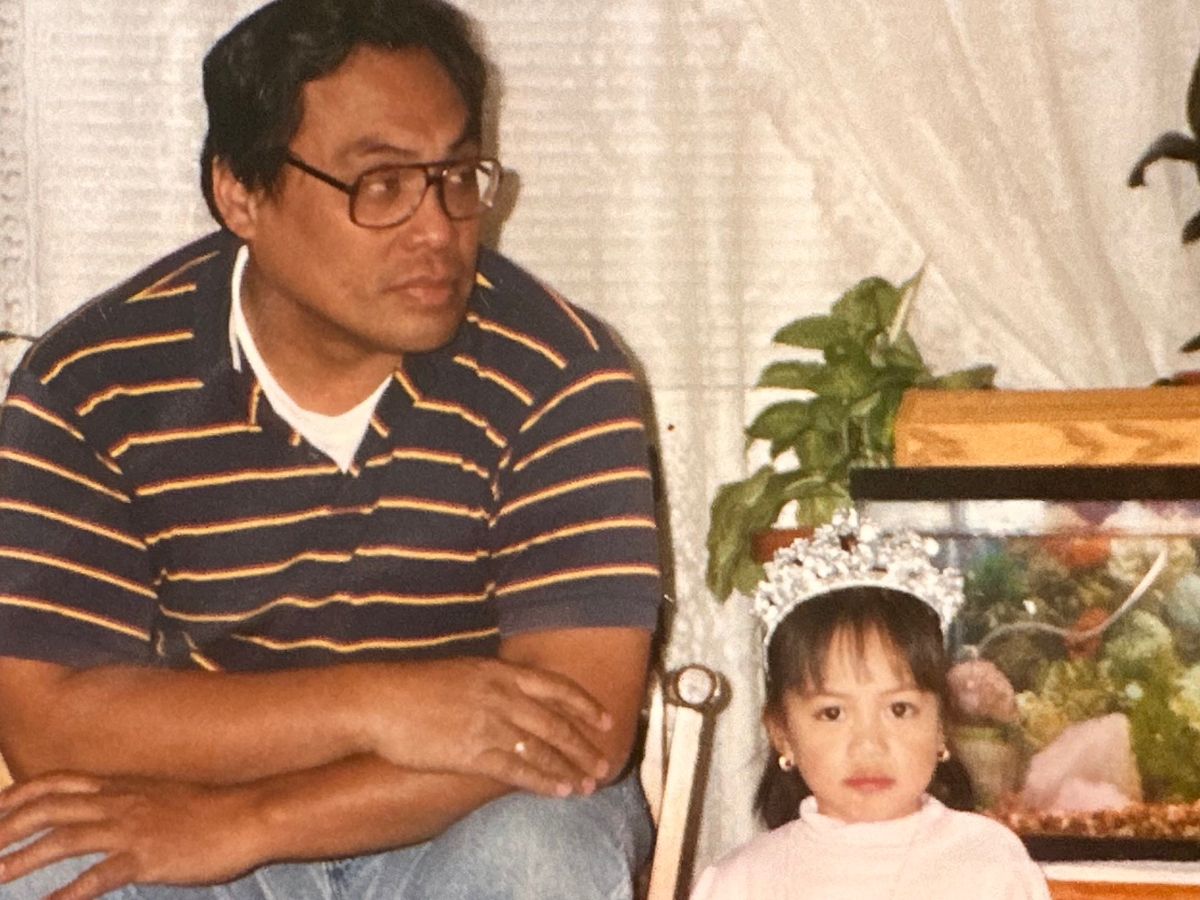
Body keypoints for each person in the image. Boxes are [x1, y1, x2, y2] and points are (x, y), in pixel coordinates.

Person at [0, 1, 662, 897]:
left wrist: (254, 823)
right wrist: (381, 704)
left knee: (543, 850)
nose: (438, 229)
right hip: (196, 809)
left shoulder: (561, 374)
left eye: (457, 176)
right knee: (48, 865)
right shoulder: (92, 384)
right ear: (241, 194)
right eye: (381, 185)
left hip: (464, 808)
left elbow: (579, 730)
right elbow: (51, 724)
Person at [690, 512, 1050, 900]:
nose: (868, 745)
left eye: (899, 709)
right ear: (782, 733)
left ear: (941, 725)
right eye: (832, 713)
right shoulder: (741, 883)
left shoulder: (989, 864)